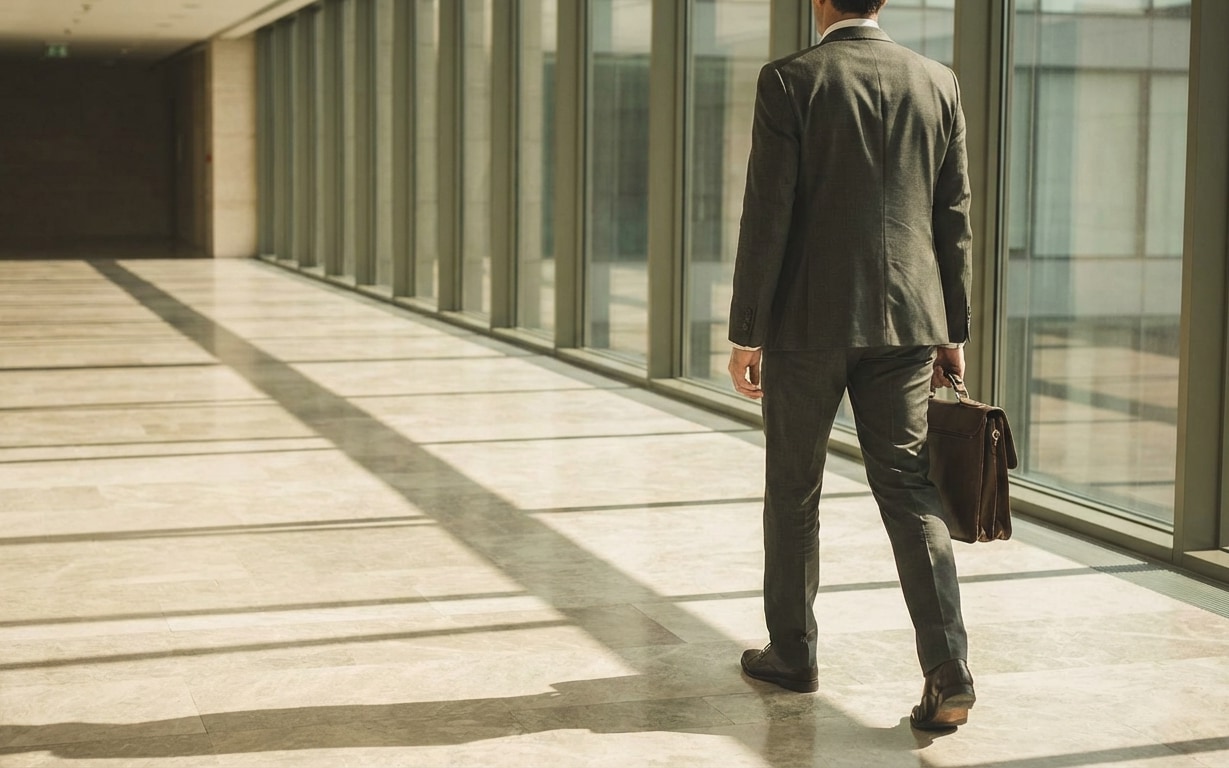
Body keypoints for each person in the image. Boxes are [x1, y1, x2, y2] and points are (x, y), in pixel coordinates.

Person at [726, 0, 976, 731]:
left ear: (818, 4)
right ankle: (947, 668)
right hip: (905, 319)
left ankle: (792, 652)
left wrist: (748, 331)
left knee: (793, 486)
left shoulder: (790, 80)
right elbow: (951, 215)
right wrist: (950, 329)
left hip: (806, 321)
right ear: (883, 3)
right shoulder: (936, 81)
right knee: (906, 487)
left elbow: (766, 211)